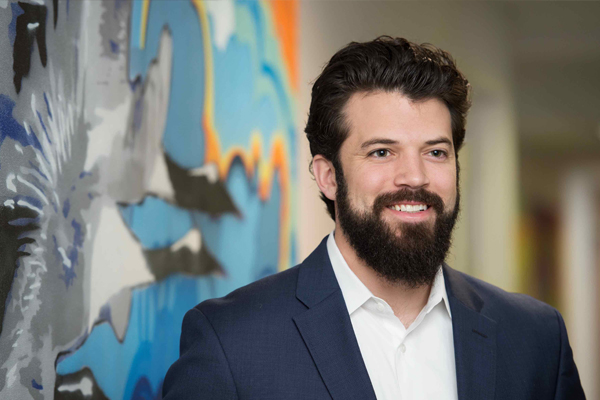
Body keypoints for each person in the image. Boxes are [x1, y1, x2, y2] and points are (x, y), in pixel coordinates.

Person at [162, 36, 585, 400]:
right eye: (382, 152)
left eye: (436, 152)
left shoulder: (535, 339)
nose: (415, 177)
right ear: (328, 177)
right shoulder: (230, 341)